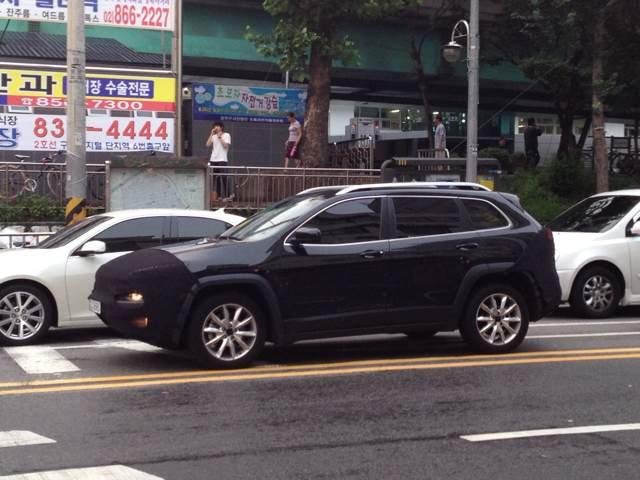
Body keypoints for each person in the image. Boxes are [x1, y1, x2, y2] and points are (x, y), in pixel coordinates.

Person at [206, 121, 232, 201]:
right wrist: (211, 134)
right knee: (215, 178)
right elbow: (207, 144)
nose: (216, 127)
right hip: (213, 159)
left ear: (221, 127)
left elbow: (225, 146)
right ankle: (219, 196)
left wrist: (220, 137)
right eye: (215, 126)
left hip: (222, 159)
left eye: (217, 126)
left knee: (224, 177)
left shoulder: (226, 135)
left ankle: (228, 195)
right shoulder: (213, 136)